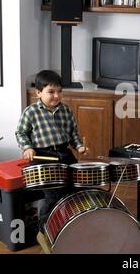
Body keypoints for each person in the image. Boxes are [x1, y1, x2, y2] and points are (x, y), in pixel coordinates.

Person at [15, 70, 88, 252]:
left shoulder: (66, 110)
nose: (56, 96)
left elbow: (73, 134)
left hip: (64, 154)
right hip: (42, 157)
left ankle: (68, 227)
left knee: (76, 189)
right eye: (51, 92)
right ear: (38, 93)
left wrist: (79, 146)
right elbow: (21, 133)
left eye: (59, 91)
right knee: (54, 195)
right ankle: (44, 232)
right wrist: (27, 148)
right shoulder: (30, 112)